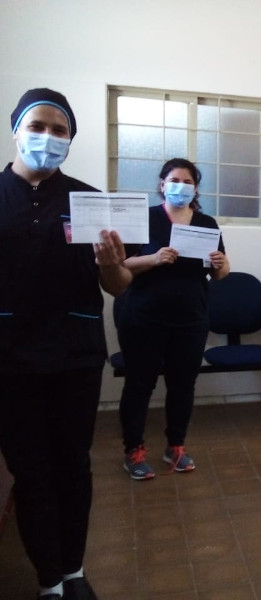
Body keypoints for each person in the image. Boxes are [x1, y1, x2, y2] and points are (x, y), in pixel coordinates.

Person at [0, 88, 132, 599]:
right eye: (38, 127)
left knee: (74, 466)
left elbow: (118, 286)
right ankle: (48, 580)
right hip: (10, 360)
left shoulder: (90, 201)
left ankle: (74, 571)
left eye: (60, 130)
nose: (48, 137)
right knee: (30, 471)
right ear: (16, 129)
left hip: (75, 355)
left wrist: (110, 264)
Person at [117, 158, 229, 480]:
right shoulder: (144, 218)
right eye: (174, 180)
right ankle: (134, 450)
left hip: (191, 318)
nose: (181, 186)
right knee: (139, 384)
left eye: (188, 181)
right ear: (162, 184)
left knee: (182, 385)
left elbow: (221, 272)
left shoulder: (206, 223)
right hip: (143, 317)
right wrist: (153, 258)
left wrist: (220, 264)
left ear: (196, 188)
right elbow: (119, 264)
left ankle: (175, 446)